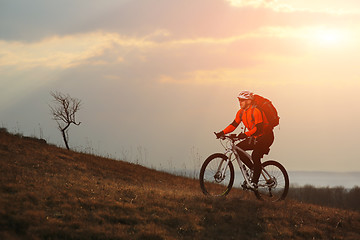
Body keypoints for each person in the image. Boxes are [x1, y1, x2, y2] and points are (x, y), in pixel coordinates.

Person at [215, 90, 275, 189]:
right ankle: (254, 169)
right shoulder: (241, 112)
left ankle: (254, 183)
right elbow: (233, 125)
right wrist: (222, 132)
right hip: (254, 137)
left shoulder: (256, 111)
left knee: (255, 156)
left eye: (242, 100)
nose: (240, 102)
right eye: (239, 100)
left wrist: (245, 134)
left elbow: (258, 128)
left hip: (266, 137)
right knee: (239, 149)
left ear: (249, 101)